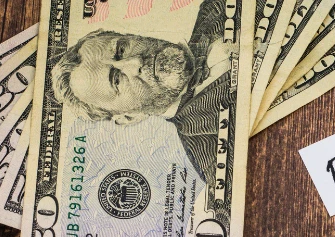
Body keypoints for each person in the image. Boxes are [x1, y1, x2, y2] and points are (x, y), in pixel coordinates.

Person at [51, 0, 229, 191]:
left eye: (121, 50)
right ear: (130, 117)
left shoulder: (214, 8)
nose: (135, 62)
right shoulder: (214, 159)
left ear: (133, 35)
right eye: (116, 80)